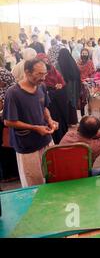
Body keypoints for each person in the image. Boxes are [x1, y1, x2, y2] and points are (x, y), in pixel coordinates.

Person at [3, 59, 58, 187]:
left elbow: (44, 107)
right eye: (39, 74)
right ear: (27, 72)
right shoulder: (13, 93)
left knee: (52, 175)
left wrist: (49, 120)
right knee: (34, 182)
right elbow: (8, 121)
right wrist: (35, 128)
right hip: (26, 144)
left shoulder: (41, 87)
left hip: (45, 139)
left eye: (45, 74)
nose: (43, 78)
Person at [36, 53, 69, 144]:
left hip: (58, 100)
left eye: (46, 60)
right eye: (43, 61)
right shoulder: (38, 77)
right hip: (49, 104)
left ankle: (63, 137)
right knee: (51, 119)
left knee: (60, 120)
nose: (45, 63)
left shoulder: (53, 70)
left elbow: (62, 82)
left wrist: (60, 86)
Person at [58, 48, 81, 125]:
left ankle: (67, 122)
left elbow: (58, 76)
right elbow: (78, 74)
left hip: (64, 87)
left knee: (66, 103)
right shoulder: (72, 62)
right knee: (72, 103)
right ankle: (73, 121)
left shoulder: (59, 64)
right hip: (74, 86)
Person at [77, 48, 95, 117]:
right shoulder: (78, 62)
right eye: (83, 53)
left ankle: (90, 114)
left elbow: (93, 72)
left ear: (88, 54)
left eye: (86, 53)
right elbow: (76, 73)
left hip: (89, 83)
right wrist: (81, 80)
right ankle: (82, 115)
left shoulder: (90, 62)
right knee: (81, 100)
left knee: (90, 99)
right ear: (81, 54)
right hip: (80, 84)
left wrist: (89, 79)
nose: (84, 55)